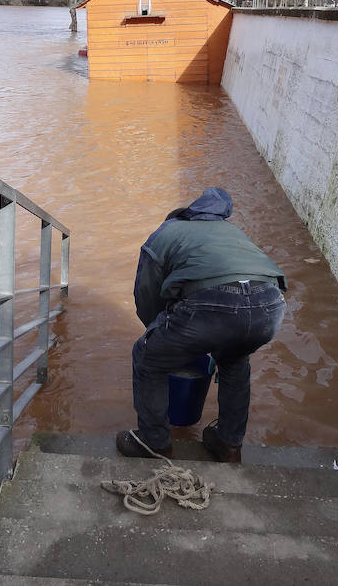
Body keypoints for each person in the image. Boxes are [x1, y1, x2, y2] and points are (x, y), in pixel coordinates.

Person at [116, 187, 287, 462]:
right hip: (270, 305)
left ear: (184, 215)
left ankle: (154, 443)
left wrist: (161, 334)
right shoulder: (233, 232)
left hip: (215, 302)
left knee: (147, 355)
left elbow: (146, 293)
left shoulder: (168, 230)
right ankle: (229, 445)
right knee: (234, 360)